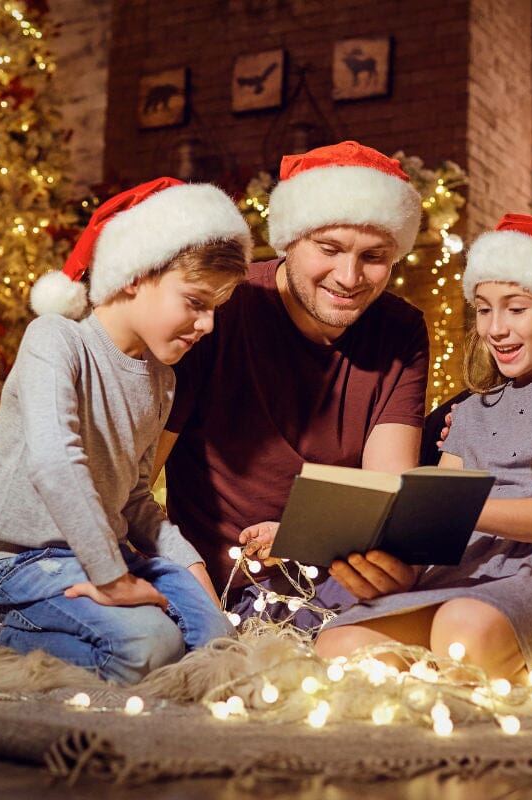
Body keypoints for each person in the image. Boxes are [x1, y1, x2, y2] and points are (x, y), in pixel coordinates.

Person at [311, 214, 532, 681]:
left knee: (462, 631)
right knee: (339, 645)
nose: (495, 328)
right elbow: (432, 532)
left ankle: (519, 681)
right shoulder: (472, 410)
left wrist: (457, 507)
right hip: (471, 568)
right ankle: (429, 705)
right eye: (483, 309)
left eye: (516, 309)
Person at [0, 178, 251, 684]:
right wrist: (115, 583)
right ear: (134, 276)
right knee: (149, 648)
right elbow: (56, 463)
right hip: (24, 562)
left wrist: (192, 576)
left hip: (107, 551)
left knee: (218, 647)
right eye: (195, 302)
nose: (207, 325)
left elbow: (136, 497)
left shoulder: (163, 380)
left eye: (216, 310)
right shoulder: (55, 339)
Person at [154, 141, 430, 623]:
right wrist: (197, 601)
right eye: (329, 249)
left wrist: (314, 538)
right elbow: (134, 484)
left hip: (343, 576)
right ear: (288, 240)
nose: (349, 276)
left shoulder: (400, 328)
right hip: (226, 588)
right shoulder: (221, 309)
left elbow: (387, 491)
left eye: (374, 256)